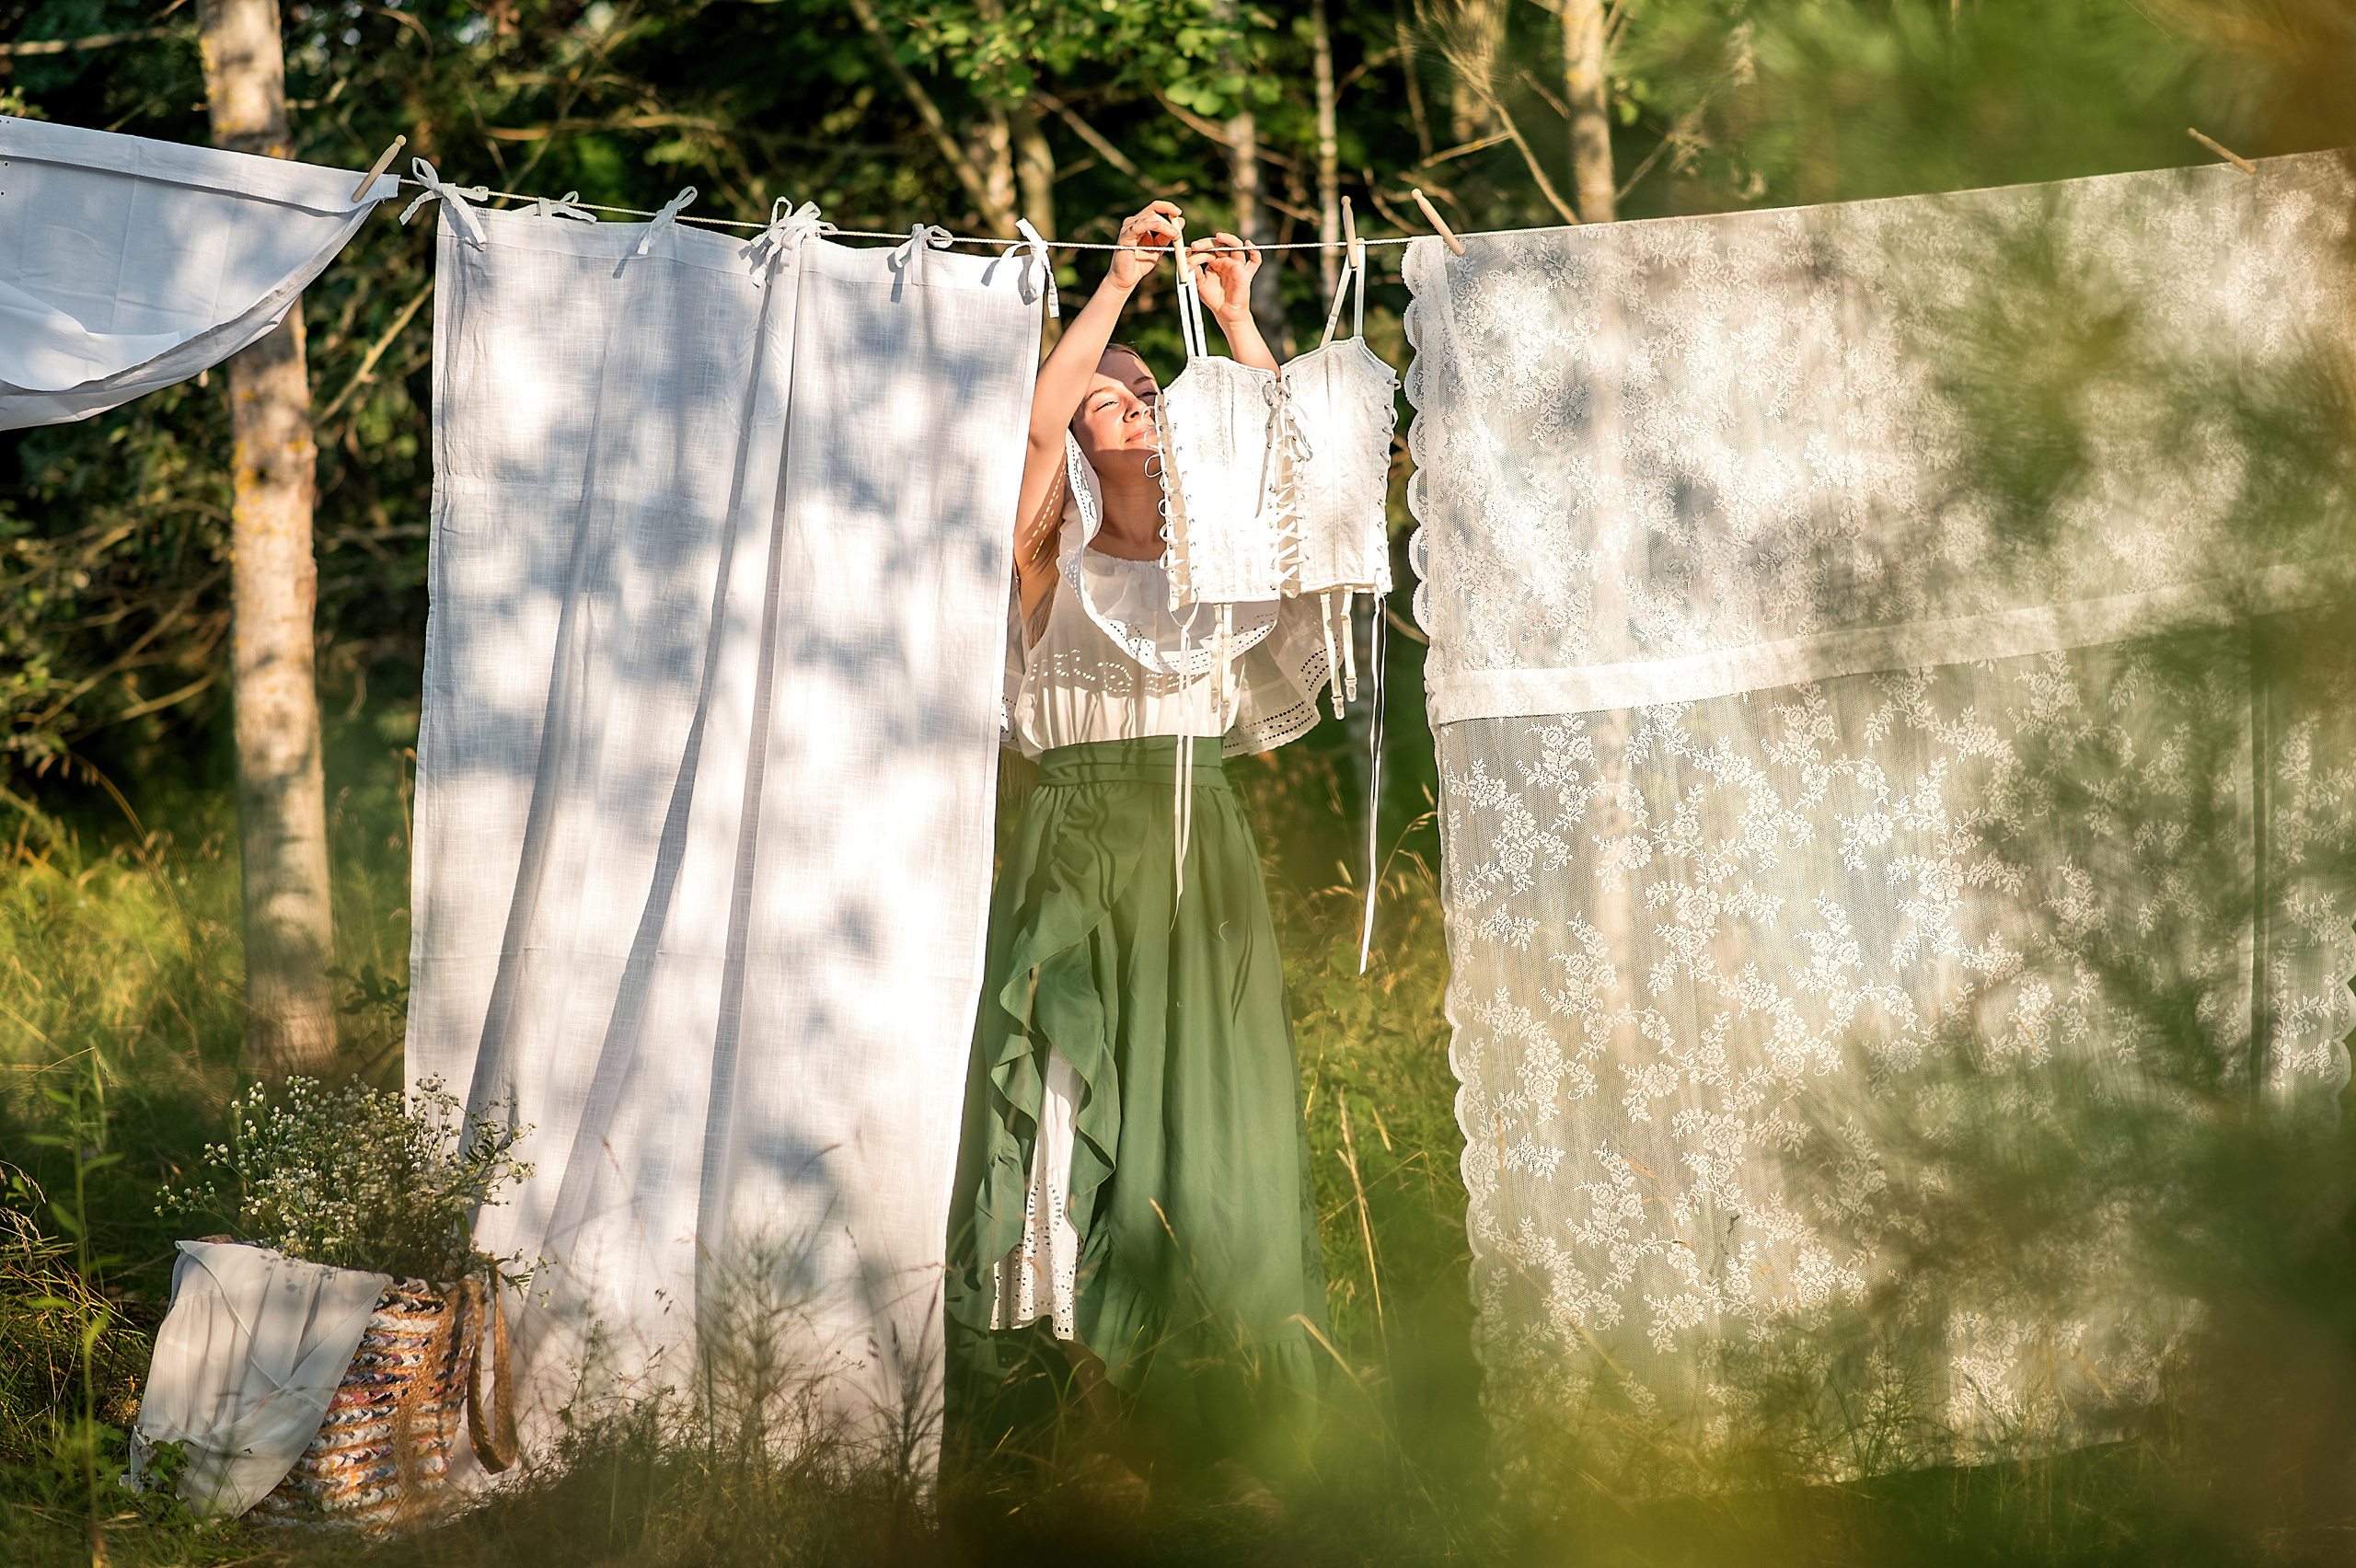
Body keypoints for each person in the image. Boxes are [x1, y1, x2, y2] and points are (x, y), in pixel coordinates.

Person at [944, 202, 1334, 1494]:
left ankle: (1230, 1423)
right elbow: (1037, 422)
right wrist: (1115, 289)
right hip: (1077, 844)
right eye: (1113, 394)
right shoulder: (1043, 558)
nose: (1133, 401)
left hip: (1195, 847)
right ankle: (1080, 1419)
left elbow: (1304, 479)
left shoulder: (1219, 572)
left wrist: (1228, 317)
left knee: (1208, 1123)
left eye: (1148, 391)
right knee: (1066, 1116)